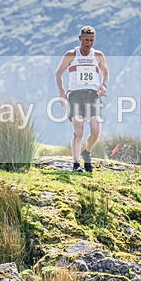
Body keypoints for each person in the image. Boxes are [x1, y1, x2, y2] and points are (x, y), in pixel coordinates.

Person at [54, 26, 109, 172]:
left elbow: (105, 73)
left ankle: (87, 152)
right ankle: (76, 164)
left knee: (96, 130)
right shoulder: (71, 55)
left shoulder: (98, 55)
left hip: (93, 96)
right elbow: (58, 73)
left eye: (91, 40)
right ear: (80, 38)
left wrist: (103, 86)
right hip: (75, 96)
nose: (88, 43)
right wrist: (61, 92)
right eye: (86, 40)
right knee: (79, 130)